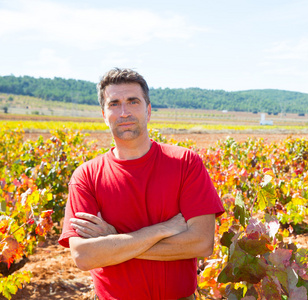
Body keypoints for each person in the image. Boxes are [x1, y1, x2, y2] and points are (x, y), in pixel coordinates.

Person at [58, 68, 224, 300]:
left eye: (133, 101)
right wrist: (161, 230)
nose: (124, 112)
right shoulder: (86, 176)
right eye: (114, 103)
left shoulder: (185, 162)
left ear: (148, 110)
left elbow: (202, 243)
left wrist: (113, 241)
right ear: (104, 115)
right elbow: (84, 256)